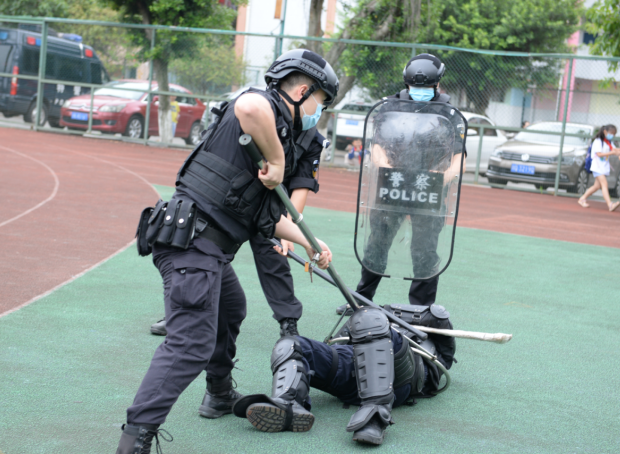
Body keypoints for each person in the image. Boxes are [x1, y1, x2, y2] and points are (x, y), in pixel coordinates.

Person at [116, 49, 339, 453]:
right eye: (320, 102)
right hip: (193, 245)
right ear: (304, 91)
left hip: (208, 249)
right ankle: (134, 440)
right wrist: (275, 159)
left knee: (231, 307)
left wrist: (311, 241)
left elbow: (267, 219)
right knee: (189, 344)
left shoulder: (284, 134)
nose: (318, 112)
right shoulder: (264, 106)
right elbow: (248, 105)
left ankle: (218, 394)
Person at [150, 100, 329, 338]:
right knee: (204, 253)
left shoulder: (311, 139)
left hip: (273, 212)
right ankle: (178, 313)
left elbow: (301, 188)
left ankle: (288, 323)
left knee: (274, 261)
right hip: (238, 200)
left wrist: (290, 229)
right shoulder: (268, 113)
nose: (317, 111)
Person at [336, 53, 466, 315]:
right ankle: (362, 300)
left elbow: (458, 158)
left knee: (425, 250)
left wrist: (441, 179)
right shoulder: (389, 107)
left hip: (429, 188)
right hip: (391, 184)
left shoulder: (450, 113)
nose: (419, 92)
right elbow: (377, 146)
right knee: (377, 243)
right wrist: (383, 165)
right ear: (407, 84)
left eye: (425, 88)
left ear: (437, 84)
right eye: (415, 88)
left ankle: (421, 310)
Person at [232, 305, 456, 445]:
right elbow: (345, 336)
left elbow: (438, 317)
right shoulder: (370, 314)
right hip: (350, 367)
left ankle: (375, 416)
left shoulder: (434, 344)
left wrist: (381, 312)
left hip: (399, 378)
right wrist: (366, 311)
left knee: (370, 319)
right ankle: (288, 403)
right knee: (290, 343)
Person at [578, 124, 620, 211]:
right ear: (605, 132)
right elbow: (599, 154)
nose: (612, 135)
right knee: (604, 185)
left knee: (596, 186)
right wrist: (612, 153)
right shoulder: (597, 141)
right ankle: (610, 204)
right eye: (611, 133)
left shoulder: (608, 142)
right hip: (597, 167)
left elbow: (615, 150)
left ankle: (582, 199)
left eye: (614, 134)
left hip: (603, 167)